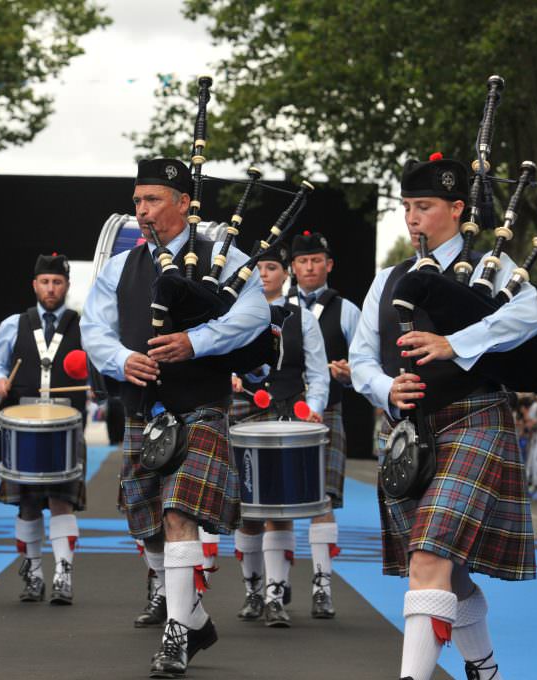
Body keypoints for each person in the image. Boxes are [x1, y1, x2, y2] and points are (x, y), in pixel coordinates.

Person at [350, 153, 537, 680]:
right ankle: (484, 668)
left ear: (457, 208)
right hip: (408, 435)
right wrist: (388, 388)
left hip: (474, 421)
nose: (413, 217)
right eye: (408, 207)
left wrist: (453, 343)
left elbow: (530, 316)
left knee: (429, 560)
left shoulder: (492, 268)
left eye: (425, 206)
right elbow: (363, 357)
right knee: (448, 577)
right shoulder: (387, 280)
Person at [82, 158, 269, 677]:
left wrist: (196, 342)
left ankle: (176, 633)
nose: (141, 211)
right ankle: (198, 619)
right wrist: (122, 359)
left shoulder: (225, 256)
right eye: (137, 201)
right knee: (147, 526)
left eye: (153, 200)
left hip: (200, 406)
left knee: (179, 515)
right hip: (143, 409)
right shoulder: (120, 268)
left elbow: (253, 316)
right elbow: (94, 329)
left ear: (184, 204)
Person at [228, 245, 328, 628]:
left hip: (285, 413)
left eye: (272, 267)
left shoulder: (302, 319)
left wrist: (314, 406)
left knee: (280, 510)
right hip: (241, 413)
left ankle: (274, 596)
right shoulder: (232, 312)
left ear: (285, 273)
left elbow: (317, 373)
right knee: (247, 512)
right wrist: (227, 376)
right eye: (260, 268)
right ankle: (253, 592)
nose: (265, 274)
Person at [0, 253, 87, 605]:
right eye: (45, 281)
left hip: (66, 426)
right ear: (35, 285)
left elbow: (99, 373)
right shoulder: (14, 323)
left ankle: (63, 576)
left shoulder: (83, 326)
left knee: (62, 502)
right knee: (26, 505)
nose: (51, 288)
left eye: (57, 282)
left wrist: (97, 388)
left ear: (67, 286)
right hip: (23, 426)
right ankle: (33, 574)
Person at [288, 230, 362, 619]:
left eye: (317, 260)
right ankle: (275, 585)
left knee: (323, 501)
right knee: (273, 501)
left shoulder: (346, 310)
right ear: (293, 267)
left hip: (326, 412)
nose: (310, 267)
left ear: (328, 264)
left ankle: (322, 584)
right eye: (303, 261)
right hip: (281, 414)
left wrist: (351, 373)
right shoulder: (276, 307)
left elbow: (368, 363)